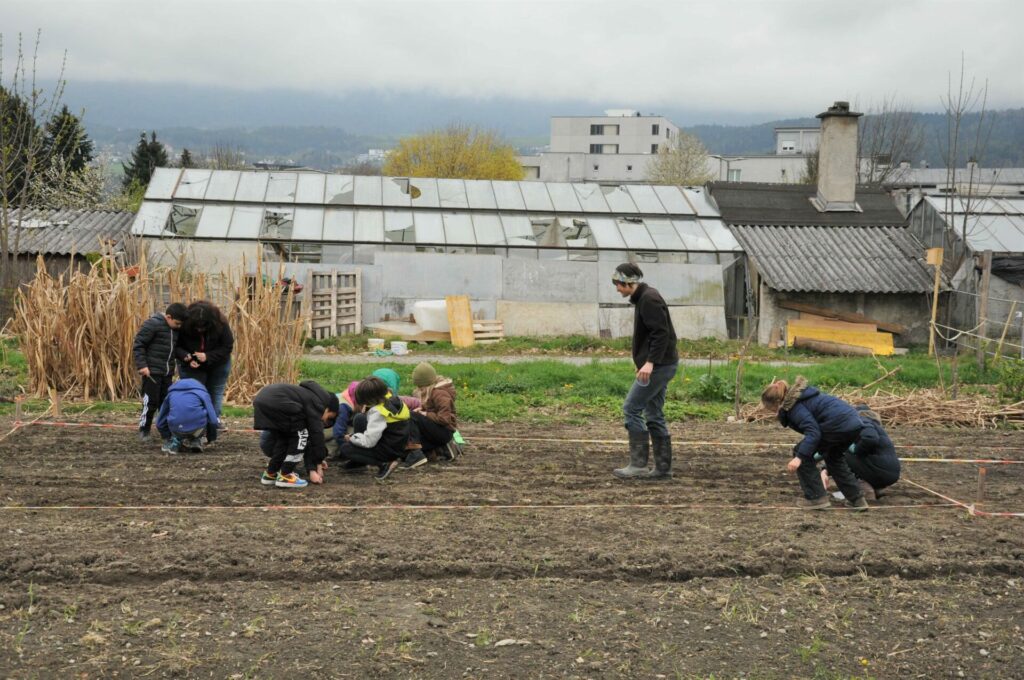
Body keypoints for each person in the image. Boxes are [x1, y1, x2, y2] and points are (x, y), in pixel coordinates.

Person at [610, 263, 679, 480]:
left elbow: (661, 333)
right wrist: (644, 363)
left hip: (659, 366)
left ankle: (638, 465)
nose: (617, 289)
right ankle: (662, 469)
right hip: (660, 364)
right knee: (654, 414)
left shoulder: (649, 299)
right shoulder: (645, 298)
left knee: (631, 408)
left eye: (619, 285)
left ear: (629, 283)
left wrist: (650, 363)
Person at [761, 376, 868, 511]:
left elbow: (813, 432)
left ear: (777, 403)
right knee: (834, 457)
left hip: (838, 425)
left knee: (802, 453)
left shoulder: (795, 408)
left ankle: (816, 498)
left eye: (770, 410)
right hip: (853, 424)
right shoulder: (803, 398)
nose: (772, 414)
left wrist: (799, 458)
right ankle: (857, 500)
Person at [254, 380, 338, 489]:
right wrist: (318, 461)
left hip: (263, 399)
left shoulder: (307, 396)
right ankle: (286, 475)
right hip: (277, 403)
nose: (326, 421)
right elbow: (316, 436)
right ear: (327, 409)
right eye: (329, 417)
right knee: (302, 435)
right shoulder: (318, 405)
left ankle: (271, 473)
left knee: (284, 438)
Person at [335, 376, 411, 481]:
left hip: (388, 449)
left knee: (346, 448)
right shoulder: (391, 398)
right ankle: (359, 462)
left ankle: (384, 464)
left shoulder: (378, 412)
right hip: (398, 441)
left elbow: (369, 442)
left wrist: (352, 437)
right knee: (360, 418)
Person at [820, 404, 901, 501]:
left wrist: (856, 450)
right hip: (891, 473)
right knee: (851, 453)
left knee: (845, 451)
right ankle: (877, 488)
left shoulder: (862, 422)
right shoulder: (876, 428)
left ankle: (863, 492)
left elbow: (869, 440)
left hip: (878, 471)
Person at [132, 303, 188, 442]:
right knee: (150, 402)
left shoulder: (175, 330)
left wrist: (184, 357)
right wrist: (142, 365)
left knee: (165, 403)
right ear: (168, 317)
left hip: (167, 373)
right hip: (151, 372)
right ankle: (144, 430)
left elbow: (175, 349)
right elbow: (139, 345)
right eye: (177, 323)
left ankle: (165, 432)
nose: (179, 327)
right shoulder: (153, 324)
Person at [175, 300, 234, 424]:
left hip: (218, 364)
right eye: (196, 327)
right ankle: (195, 422)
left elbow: (227, 346)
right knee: (193, 392)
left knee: (215, 392)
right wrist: (186, 358)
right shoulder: (183, 325)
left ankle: (213, 421)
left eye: (203, 326)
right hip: (192, 366)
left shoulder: (221, 324)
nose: (200, 329)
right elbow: (175, 345)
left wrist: (208, 356)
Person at [409, 362, 459, 466]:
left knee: (413, 416)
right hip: (437, 429)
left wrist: (424, 414)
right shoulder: (432, 391)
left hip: (445, 431)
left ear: (426, 384)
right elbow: (433, 408)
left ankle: (417, 453)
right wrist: (421, 409)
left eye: (420, 387)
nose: (419, 390)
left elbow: (444, 419)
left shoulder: (440, 393)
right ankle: (439, 449)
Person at [156, 378, 220, 454]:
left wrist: (166, 437)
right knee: (202, 415)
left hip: (176, 429)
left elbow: (160, 421)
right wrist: (212, 437)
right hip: (198, 430)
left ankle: (175, 441)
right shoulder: (202, 393)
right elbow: (213, 420)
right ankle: (196, 440)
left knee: (177, 419)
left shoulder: (171, 394)